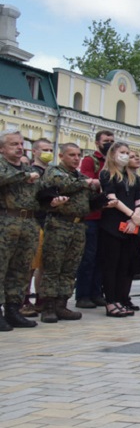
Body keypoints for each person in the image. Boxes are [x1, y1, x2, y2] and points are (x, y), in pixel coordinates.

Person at [35, 143, 101, 323]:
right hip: (59, 224)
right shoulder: (54, 171)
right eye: (72, 155)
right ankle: (48, 306)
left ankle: (62, 304)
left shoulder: (80, 176)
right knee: (53, 266)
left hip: (78, 226)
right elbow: (63, 184)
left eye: (78, 155)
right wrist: (87, 182)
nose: (76, 158)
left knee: (70, 268)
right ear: (62, 156)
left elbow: (87, 200)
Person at [0, 129, 43, 330]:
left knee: (20, 269)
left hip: (28, 223)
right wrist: (25, 176)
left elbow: (39, 195)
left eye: (20, 144)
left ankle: (13, 309)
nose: (19, 147)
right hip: (6, 222)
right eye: (13, 144)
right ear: (2, 148)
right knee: (2, 268)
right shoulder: (7, 168)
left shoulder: (28, 170)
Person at [97, 142, 140, 318]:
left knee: (124, 266)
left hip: (130, 226)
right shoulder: (106, 174)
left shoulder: (133, 177)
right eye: (122, 152)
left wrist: (136, 215)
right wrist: (132, 214)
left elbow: (139, 199)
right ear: (113, 154)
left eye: (127, 152)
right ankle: (110, 301)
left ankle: (120, 299)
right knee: (111, 265)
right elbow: (112, 199)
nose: (125, 155)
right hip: (112, 226)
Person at [75, 129, 114, 309]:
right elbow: (87, 182)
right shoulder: (91, 161)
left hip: (108, 216)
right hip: (92, 215)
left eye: (112, 141)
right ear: (97, 143)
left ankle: (97, 292)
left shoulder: (113, 162)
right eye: (106, 141)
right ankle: (83, 294)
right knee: (88, 256)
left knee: (102, 256)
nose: (109, 144)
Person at [21, 138, 53, 317]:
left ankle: (40, 298)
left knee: (44, 264)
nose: (48, 152)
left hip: (50, 222)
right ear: (34, 152)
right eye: (44, 149)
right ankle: (24, 299)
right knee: (30, 264)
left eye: (50, 149)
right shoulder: (31, 172)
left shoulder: (51, 171)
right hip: (35, 221)